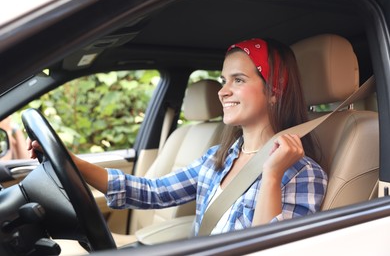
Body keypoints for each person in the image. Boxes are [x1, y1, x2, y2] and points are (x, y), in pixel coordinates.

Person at [27, 38, 328, 236]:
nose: (222, 91)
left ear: (274, 91)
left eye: (238, 80)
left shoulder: (302, 173)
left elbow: (274, 250)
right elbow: (154, 192)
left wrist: (272, 176)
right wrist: (69, 162)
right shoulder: (218, 158)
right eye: (224, 80)